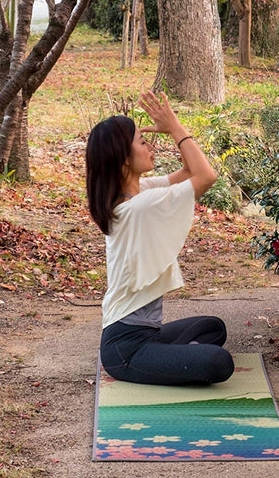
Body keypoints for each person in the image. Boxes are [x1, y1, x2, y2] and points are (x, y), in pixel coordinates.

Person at [86, 90, 234, 386]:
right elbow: (206, 176)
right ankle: (177, 361)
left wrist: (171, 127)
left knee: (212, 328)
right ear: (123, 160)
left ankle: (175, 359)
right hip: (125, 348)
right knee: (219, 363)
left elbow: (191, 170)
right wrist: (175, 128)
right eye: (142, 142)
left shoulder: (137, 194)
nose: (151, 146)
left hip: (145, 334)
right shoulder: (139, 206)